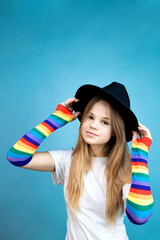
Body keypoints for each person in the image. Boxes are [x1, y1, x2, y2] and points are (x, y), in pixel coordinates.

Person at [6, 82, 154, 240]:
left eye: (105, 122)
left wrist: (139, 158)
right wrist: (55, 120)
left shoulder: (125, 170)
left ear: (115, 131)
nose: (93, 125)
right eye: (90, 117)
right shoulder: (67, 160)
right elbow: (17, 156)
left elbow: (139, 217)